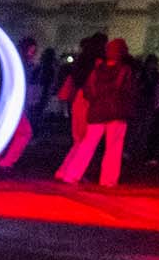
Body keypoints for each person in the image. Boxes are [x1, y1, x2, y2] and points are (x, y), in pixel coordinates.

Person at [56, 37, 136, 187]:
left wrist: (97, 99)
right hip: (116, 111)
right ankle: (108, 180)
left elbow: (88, 91)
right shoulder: (125, 70)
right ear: (122, 52)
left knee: (87, 144)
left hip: (97, 111)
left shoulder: (97, 69)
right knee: (113, 147)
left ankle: (72, 175)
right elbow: (129, 91)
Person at [0, 35, 37, 175]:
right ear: (26, 49)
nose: (33, 54)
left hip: (6, 103)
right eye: (32, 50)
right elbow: (12, 83)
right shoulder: (18, 63)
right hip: (10, 104)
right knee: (21, 133)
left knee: (0, 135)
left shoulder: (9, 60)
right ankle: (3, 164)